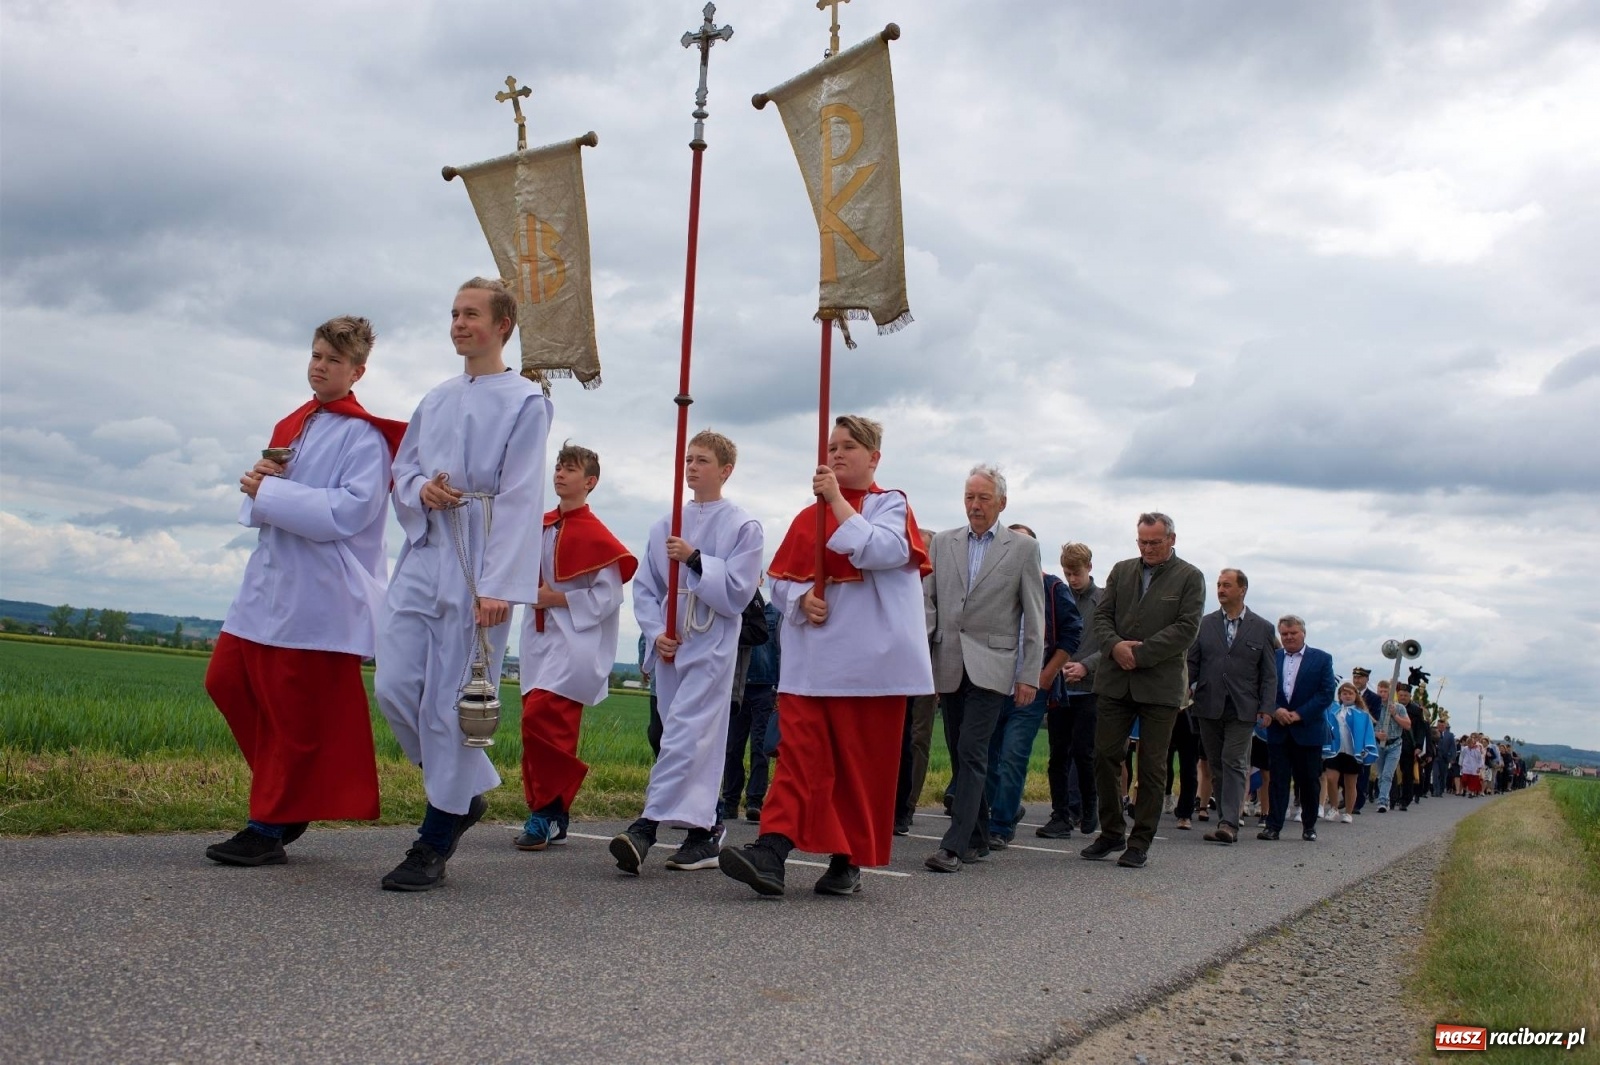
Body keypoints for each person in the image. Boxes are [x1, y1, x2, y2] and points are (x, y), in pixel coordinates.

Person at [204, 316, 404, 866]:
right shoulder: (293, 423)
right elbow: (265, 505)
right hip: (267, 583)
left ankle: (267, 828)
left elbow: (350, 511)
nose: (320, 366)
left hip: (318, 591)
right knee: (225, 680)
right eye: (316, 355)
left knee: (292, 715)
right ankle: (289, 802)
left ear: (358, 370)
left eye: (334, 360)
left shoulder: (364, 436)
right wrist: (258, 487)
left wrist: (269, 495)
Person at [375, 278, 553, 892]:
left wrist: (499, 582)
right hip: (425, 545)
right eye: (453, 313)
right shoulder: (437, 396)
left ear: (503, 325)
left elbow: (525, 493)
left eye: (471, 314)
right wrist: (419, 489)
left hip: (481, 553)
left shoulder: (526, 400)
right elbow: (404, 468)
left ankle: (435, 836)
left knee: (452, 701)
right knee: (397, 685)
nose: (458, 323)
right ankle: (466, 787)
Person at [720, 416, 933, 896]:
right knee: (798, 758)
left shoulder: (890, 505)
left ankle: (846, 862)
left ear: (874, 457)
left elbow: (878, 551)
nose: (837, 454)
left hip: (870, 668)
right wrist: (800, 600)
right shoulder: (805, 517)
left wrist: (836, 501)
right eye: (832, 447)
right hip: (811, 665)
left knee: (860, 771)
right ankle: (771, 851)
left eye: (850, 447)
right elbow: (778, 583)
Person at [611, 430, 763, 876]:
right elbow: (646, 587)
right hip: (673, 648)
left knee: (684, 733)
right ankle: (707, 830)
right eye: (688, 459)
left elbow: (738, 592)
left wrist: (697, 559)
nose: (692, 467)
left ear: (725, 470)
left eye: (702, 460)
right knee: (677, 737)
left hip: (712, 645)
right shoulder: (665, 524)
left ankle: (646, 826)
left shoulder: (743, 526)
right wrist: (656, 631)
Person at [921, 465, 1045, 873]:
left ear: (1002, 503)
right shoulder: (943, 542)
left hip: (993, 664)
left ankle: (953, 846)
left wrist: (1028, 675)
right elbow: (929, 600)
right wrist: (923, 655)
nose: (975, 505)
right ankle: (978, 834)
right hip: (949, 661)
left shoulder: (1022, 549)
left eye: (983, 498)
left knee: (973, 750)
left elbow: (1034, 615)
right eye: (970, 498)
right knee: (960, 751)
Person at [514, 443, 637, 851]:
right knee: (534, 725)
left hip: (575, 642)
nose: (560, 474)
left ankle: (546, 812)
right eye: (558, 467)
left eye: (571, 469)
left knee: (545, 718)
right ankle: (551, 813)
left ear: (590, 482)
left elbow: (608, 597)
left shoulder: (597, 537)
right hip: (537, 639)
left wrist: (556, 599)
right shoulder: (541, 525)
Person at [1080, 512, 1204, 869]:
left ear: (1172, 540)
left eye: (1155, 542)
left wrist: (1140, 653)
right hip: (1116, 679)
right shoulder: (1121, 571)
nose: (1148, 548)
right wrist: (1116, 647)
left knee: (1152, 765)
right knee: (1104, 755)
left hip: (1160, 686)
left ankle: (1140, 841)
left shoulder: (1189, 578)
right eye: (1142, 542)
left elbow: (1186, 628)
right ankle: (1111, 831)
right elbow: (1102, 616)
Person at [984, 524, 1081, 847]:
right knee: (986, 755)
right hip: (994, 685)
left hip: (1031, 688)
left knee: (1013, 755)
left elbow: (1071, 634)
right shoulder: (994, 584)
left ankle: (1000, 826)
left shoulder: (1052, 588)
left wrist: (1046, 676)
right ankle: (995, 813)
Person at [1185, 567, 1277, 847]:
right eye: (1218, 585)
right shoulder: (1206, 623)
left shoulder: (1262, 628)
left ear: (1242, 589)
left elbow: (1269, 673)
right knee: (1216, 764)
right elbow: (1192, 663)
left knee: (1235, 761)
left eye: (1227, 585)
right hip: (1208, 704)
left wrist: (1267, 708)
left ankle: (1229, 823)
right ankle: (1226, 818)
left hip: (1243, 707)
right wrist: (1183, 690)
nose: (1221, 589)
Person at [1038, 542, 1102, 839]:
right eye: (1067, 573)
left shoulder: (1103, 601)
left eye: (1076, 573)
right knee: (1057, 755)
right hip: (1060, 688)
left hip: (1091, 689)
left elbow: (1112, 643)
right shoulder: (1057, 597)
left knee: (1084, 752)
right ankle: (1060, 814)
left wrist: (1086, 665)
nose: (1072, 579)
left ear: (1089, 567)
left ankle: (1090, 806)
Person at [1259, 615, 1336, 842]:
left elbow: (1326, 693)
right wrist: (1275, 710)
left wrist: (1300, 713)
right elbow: (1262, 688)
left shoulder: (1321, 659)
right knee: (1278, 779)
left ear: (1303, 633)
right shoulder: (1272, 658)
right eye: (1284, 634)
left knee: (1309, 781)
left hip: (1308, 729)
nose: (1289, 637)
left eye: (1293, 633)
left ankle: (1309, 825)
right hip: (1279, 729)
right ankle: (1273, 826)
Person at [723, 589, 780, 823]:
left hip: (765, 687)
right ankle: (730, 801)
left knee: (759, 747)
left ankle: (755, 801)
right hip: (738, 686)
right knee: (732, 747)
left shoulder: (775, 613)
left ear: (760, 581)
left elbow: (779, 648)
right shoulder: (735, 610)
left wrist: (781, 684)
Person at [1322, 681, 1377, 822]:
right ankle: (1333, 808)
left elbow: (1367, 733)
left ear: (1355, 696)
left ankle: (1348, 812)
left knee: (1350, 783)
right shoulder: (1333, 711)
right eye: (1344, 693)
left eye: (1350, 693)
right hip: (1335, 750)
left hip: (1353, 752)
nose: (1347, 696)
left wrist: (1366, 748)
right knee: (1331, 778)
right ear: (1339, 695)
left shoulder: (1362, 715)